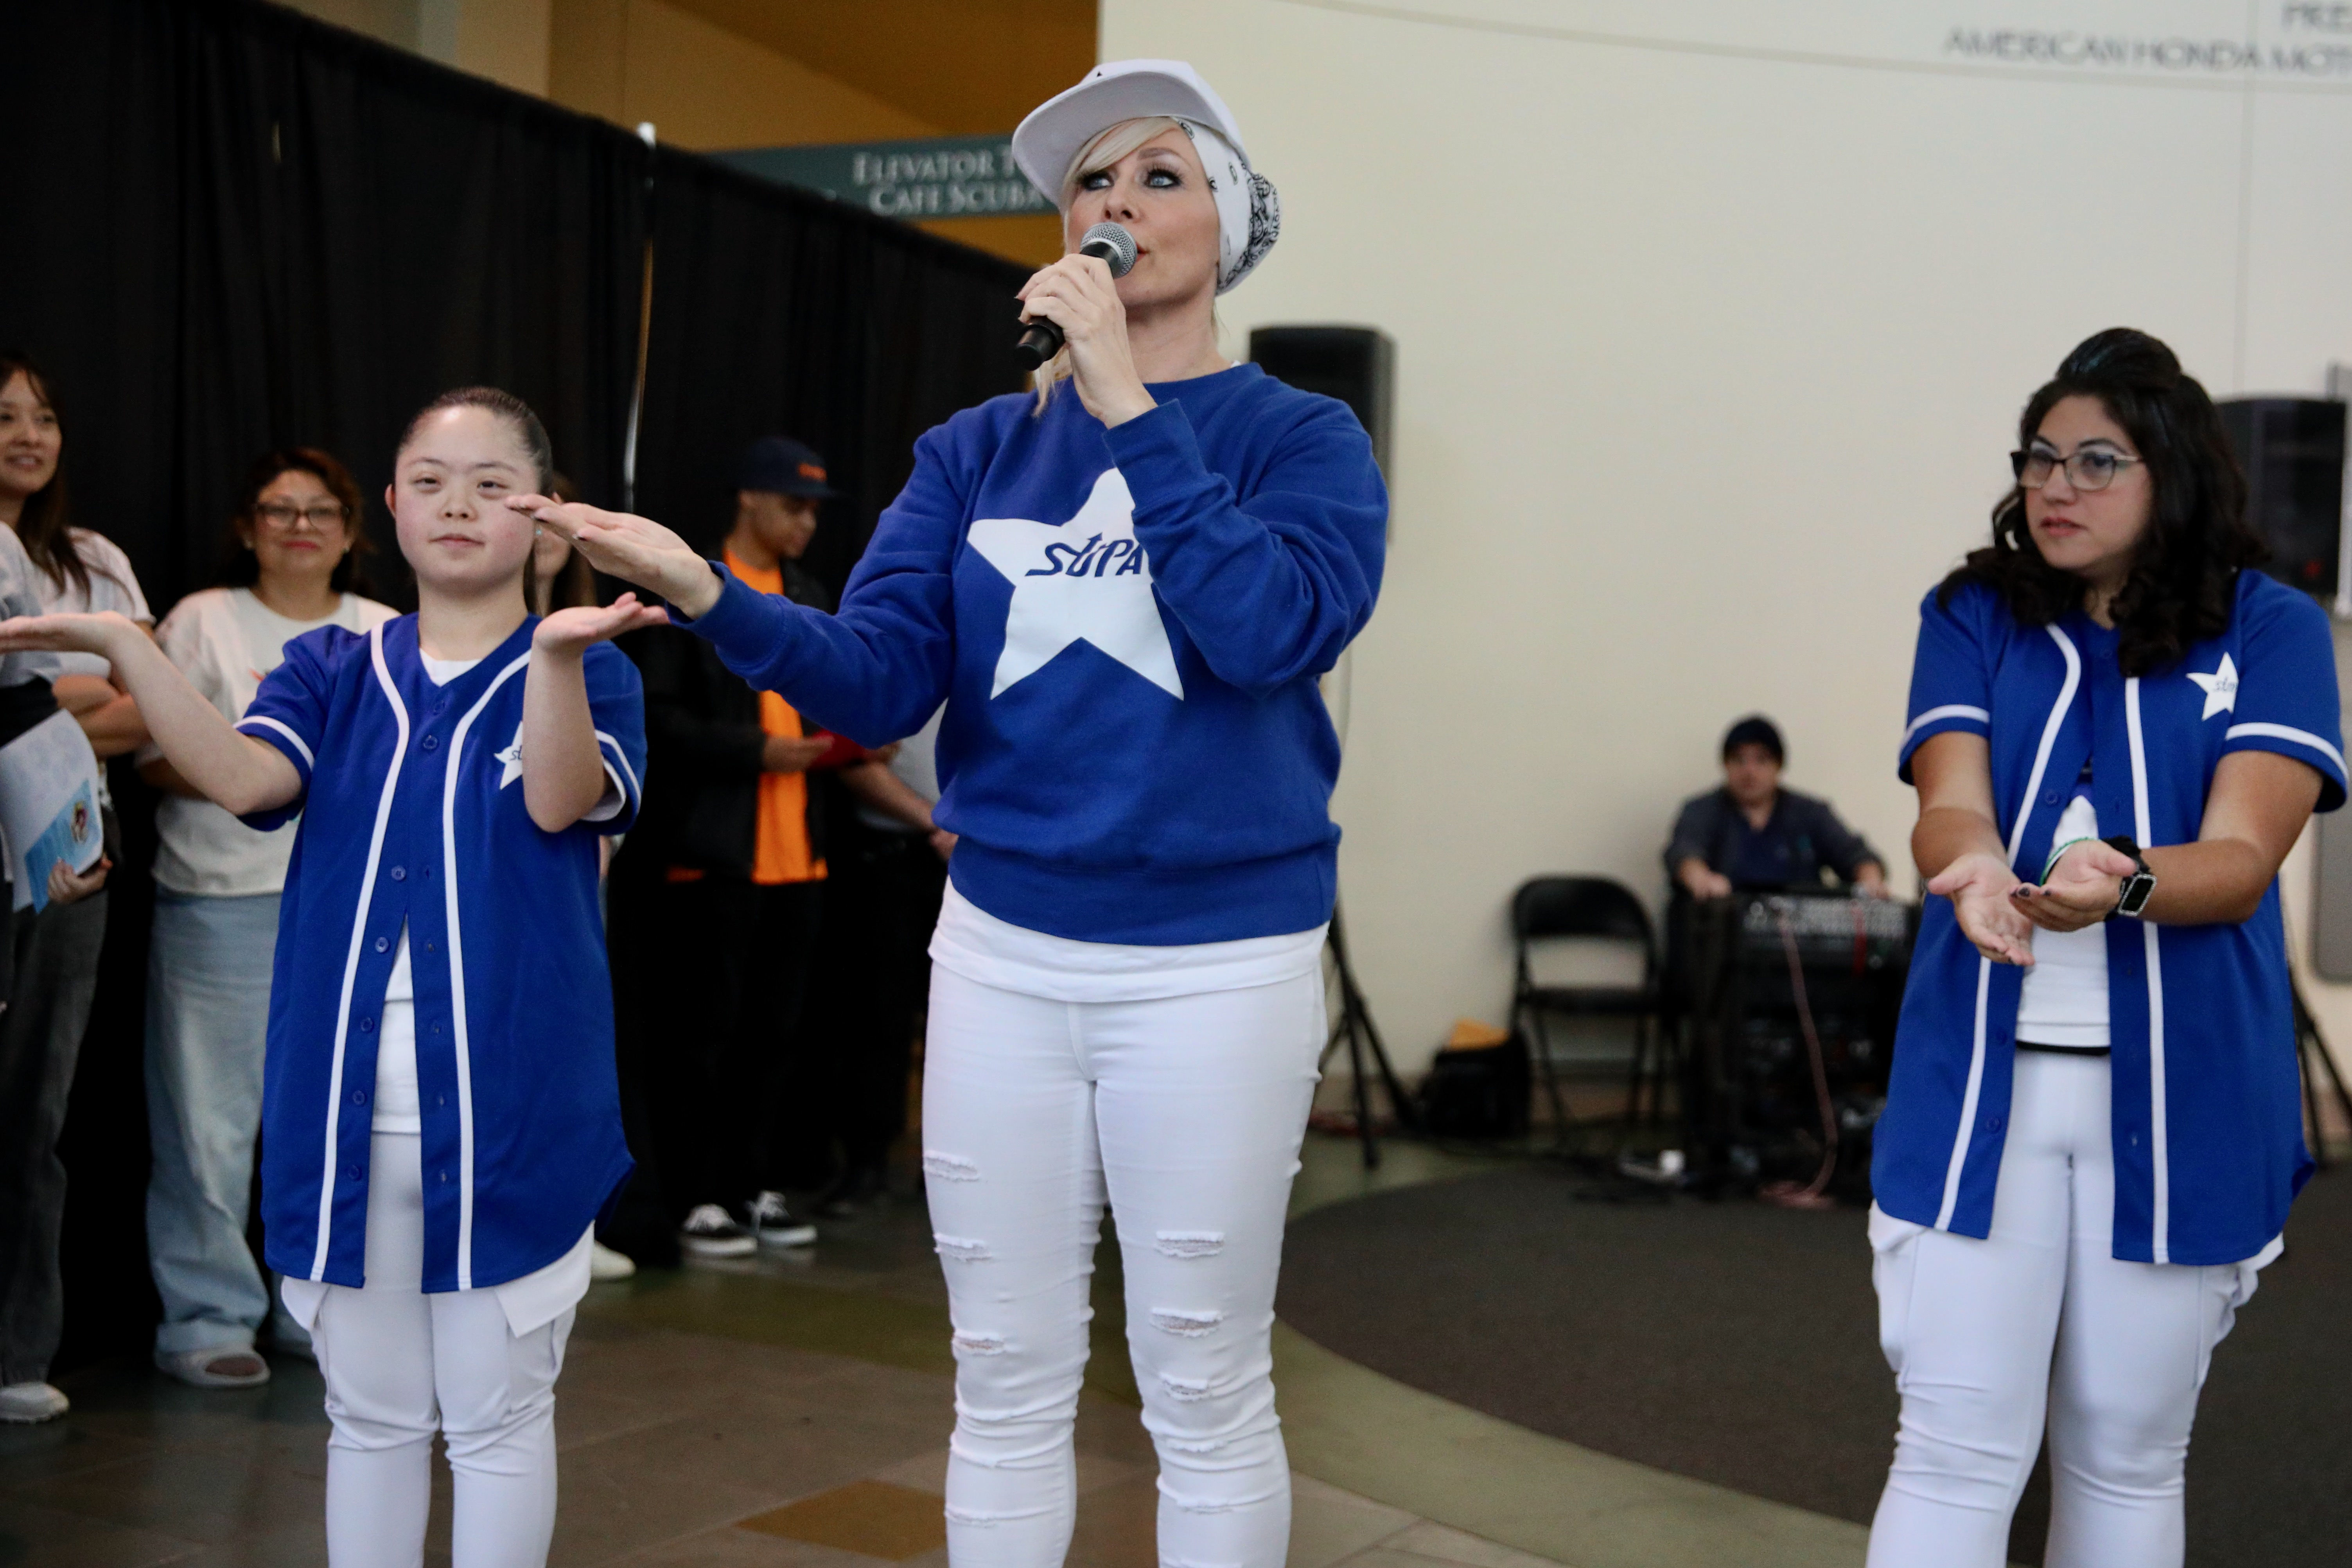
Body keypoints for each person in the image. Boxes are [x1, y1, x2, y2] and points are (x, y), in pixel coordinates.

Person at [523, 59, 1384, 1568]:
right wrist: (706, 593)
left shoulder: (1297, 441)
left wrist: (1122, 399)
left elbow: (1262, 633)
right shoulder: (971, 448)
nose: (1111, 202)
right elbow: (875, 676)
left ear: (1230, 225)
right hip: (1000, 948)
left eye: (1156, 177)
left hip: (1213, 958)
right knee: (1000, 1381)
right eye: (1088, 185)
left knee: (1199, 1379)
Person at [0, 386, 654, 1559]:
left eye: (494, 483)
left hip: (512, 1120)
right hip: (346, 1117)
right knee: (371, 1418)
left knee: (500, 1418)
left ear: (544, 513)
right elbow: (245, 781)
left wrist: (556, 651)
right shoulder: (330, 666)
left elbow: (564, 800)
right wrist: (126, 654)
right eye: (432, 481)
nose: (460, 504)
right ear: (392, 508)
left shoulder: (593, 667)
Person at [1866, 329, 2341, 1568]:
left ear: (2170, 473)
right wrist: (1969, 866)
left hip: (2187, 1096)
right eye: (2039, 457)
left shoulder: (2272, 626)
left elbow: (2241, 857)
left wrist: (2126, 882)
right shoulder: (1973, 610)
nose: (2055, 485)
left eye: (2095, 460)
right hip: (1983, 1085)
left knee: (2127, 1453)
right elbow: (1949, 799)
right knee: (1954, 1444)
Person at [137, 448, 395, 1390]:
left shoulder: (386, 629)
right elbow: (153, 755)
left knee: (338, 1119)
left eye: (320, 510)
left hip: (350, 906)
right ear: (247, 527)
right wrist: (247, 766)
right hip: (218, 897)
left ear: (352, 531)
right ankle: (206, 1315)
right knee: (207, 1121)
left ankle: (315, 1305)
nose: (300, 525)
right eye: (279, 510)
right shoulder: (203, 619)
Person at [609, 436, 842, 1259]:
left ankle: (754, 1184)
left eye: (815, 509)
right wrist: (757, 754)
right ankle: (695, 1192)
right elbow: (657, 719)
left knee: (775, 1034)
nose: (806, 522)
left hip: (799, 854)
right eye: (793, 505)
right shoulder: (687, 588)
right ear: (749, 499)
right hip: (714, 853)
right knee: (700, 1033)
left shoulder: (810, 589)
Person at [0, 355, 118, 1425]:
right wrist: (70, 693)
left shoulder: (88, 559)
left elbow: (142, 702)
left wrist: (46, 703)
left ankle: (16, 1348)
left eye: (44, 416)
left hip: (69, 857)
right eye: (3, 417)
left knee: (32, 1104)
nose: (28, 434)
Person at [807, 706, 955, 1217]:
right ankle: (866, 1162)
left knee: (973, 1024)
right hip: (886, 850)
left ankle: (955, 1167)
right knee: (876, 1013)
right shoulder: (898, 654)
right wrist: (938, 824)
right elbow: (852, 758)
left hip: (986, 855)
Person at [1666, 714, 1887, 898]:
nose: (1749, 772)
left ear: (1779, 766)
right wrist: (1701, 879)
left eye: (1761, 760)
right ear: (1726, 765)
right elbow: (1685, 852)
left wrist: (1870, 880)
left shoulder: (1809, 813)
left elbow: (1855, 854)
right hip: (1723, 935)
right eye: (1739, 760)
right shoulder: (1702, 810)